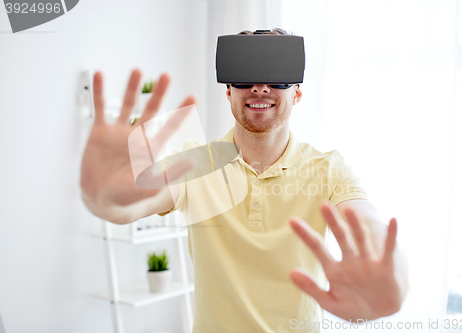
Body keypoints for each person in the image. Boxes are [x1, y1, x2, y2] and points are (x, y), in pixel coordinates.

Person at [80, 28, 408, 332]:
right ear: (228, 91)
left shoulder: (329, 169)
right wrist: (102, 196)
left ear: (297, 94)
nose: (260, 87)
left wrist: (393, 283)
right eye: (245, 75)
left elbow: (372, 228)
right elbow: (129, 204)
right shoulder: (195, 164)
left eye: (278, 78)